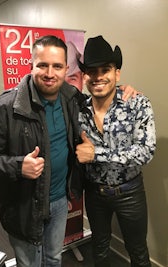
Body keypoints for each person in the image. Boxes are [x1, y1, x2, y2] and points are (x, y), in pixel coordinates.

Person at [0, 35, 138, 267]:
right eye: (43, 65)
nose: (50, 73)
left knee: (54, 259)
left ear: (66, 69)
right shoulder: (1, 109)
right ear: (31, 66)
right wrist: (18, 166)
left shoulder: (71, 97)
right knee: (30, 264)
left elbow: (99, 96)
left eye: (57, 66)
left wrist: (121, 90)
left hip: (59, 200)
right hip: (24, 206)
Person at [75, 35, 156, 267]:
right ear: (85, 76)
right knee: (99, 248)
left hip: (130, 193)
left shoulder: (138, 103)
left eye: (105, 69)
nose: (98, 76)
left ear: (117, 73)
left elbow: (146, 151)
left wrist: (96, 154)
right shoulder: (79, 109)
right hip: (94, 193)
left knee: (138, 251)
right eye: (91, 71)